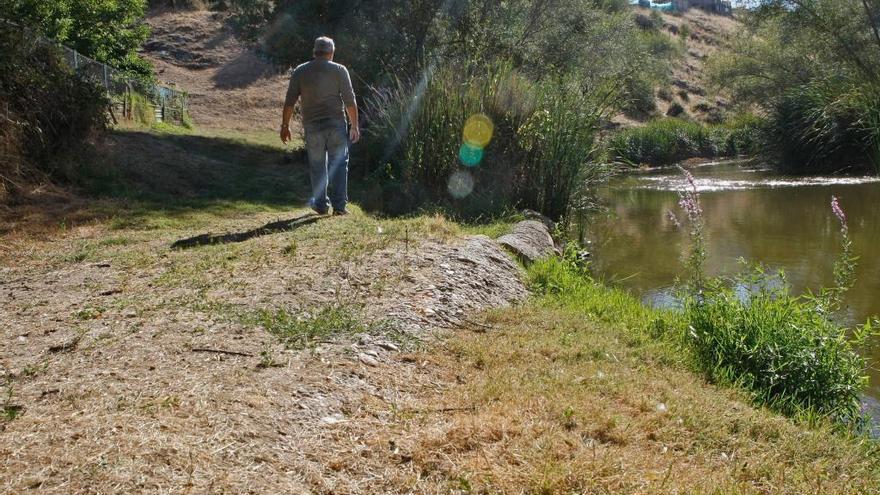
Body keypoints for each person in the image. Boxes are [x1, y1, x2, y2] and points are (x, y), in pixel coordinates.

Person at [280, 36, 360, 216]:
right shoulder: (339, 70)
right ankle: (340, 207)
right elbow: (350, 100)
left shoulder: (301, 71)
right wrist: (354, 126)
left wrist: (285, 125)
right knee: (339, 164)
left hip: (312, 126)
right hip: (336, 125)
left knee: (317, 165)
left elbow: (289, 102)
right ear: (331, 53)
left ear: (314, 52)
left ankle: (321, 205)